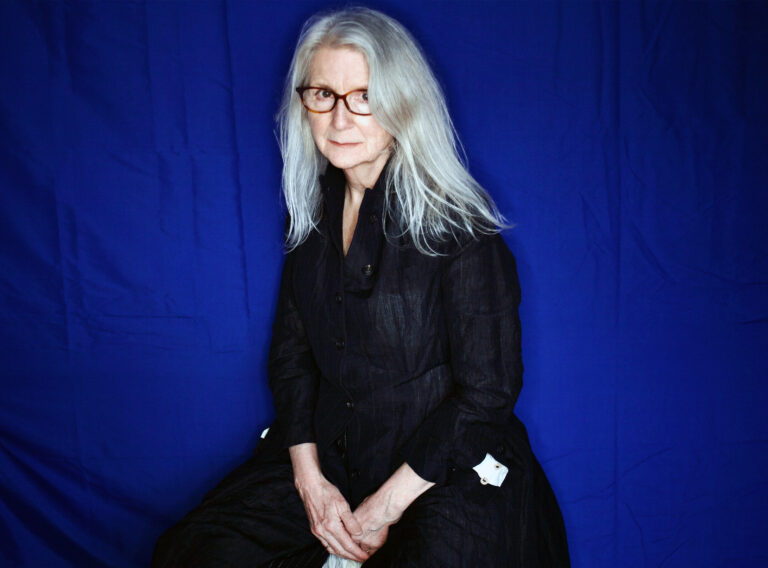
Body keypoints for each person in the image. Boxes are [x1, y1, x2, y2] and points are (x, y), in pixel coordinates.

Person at [152, 7, 569, 567]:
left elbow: (486, 395)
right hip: (330, 461)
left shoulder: (462, 232)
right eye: (323, 94)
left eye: (364, 97)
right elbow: (291, 362)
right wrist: (310, 485)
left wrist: (380, 510)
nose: (339, 119)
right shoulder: (309, 222)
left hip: (442, 469)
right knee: (192, 553)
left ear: (403, 103)